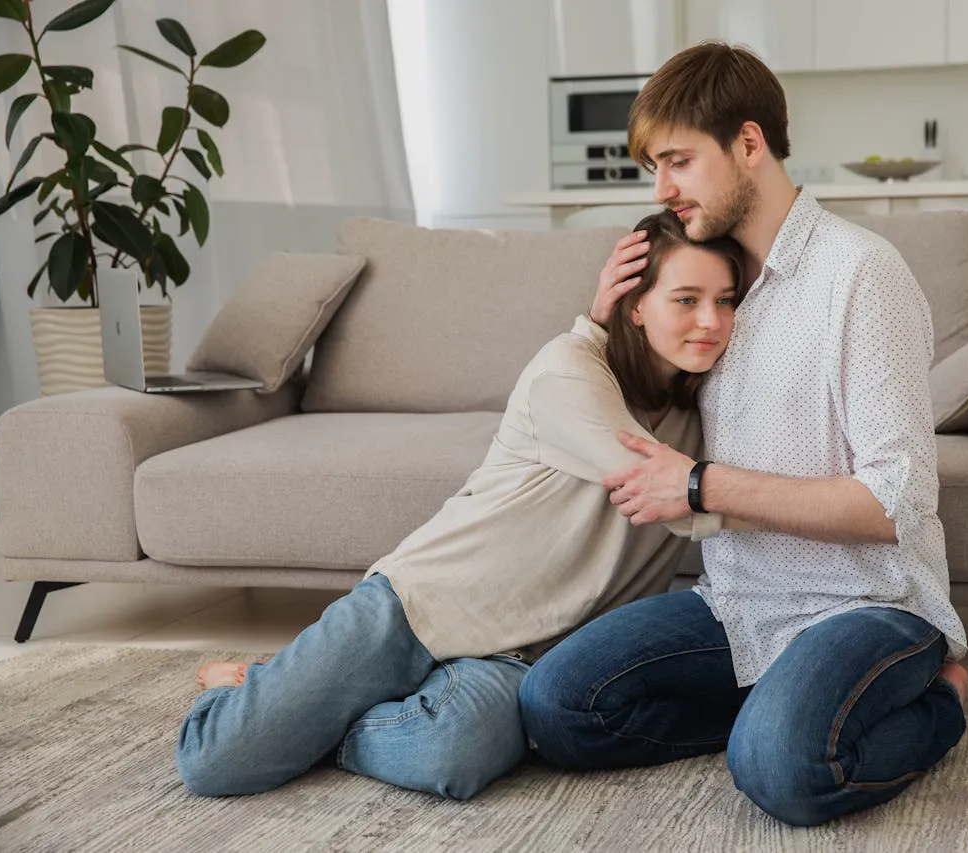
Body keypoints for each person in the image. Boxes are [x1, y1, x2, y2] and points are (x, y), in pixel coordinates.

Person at [518, 42, 968, 827]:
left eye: (679, 161)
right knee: (556, 705)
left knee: (781, 771)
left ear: (749, 145)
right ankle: (780, 715)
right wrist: (605, 314)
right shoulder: (711, 288)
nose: (661, 188)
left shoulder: (861, 273)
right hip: (738, 601)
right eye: (656, 166)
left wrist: (699, 484)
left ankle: (939, 701)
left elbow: (896, 499)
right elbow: (626, 405)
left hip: (869, 601)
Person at [174, 210, 745, 800]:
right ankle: (252, 694)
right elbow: (673, 497)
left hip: (523, 656)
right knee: (216, 762)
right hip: (416, 609)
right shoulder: (568, 370)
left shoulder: (705, 403)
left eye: (726, 301)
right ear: (634, 303)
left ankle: (306, 715)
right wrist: (798, 505)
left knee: (455, 753)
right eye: (685, 299)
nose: (711, 322)